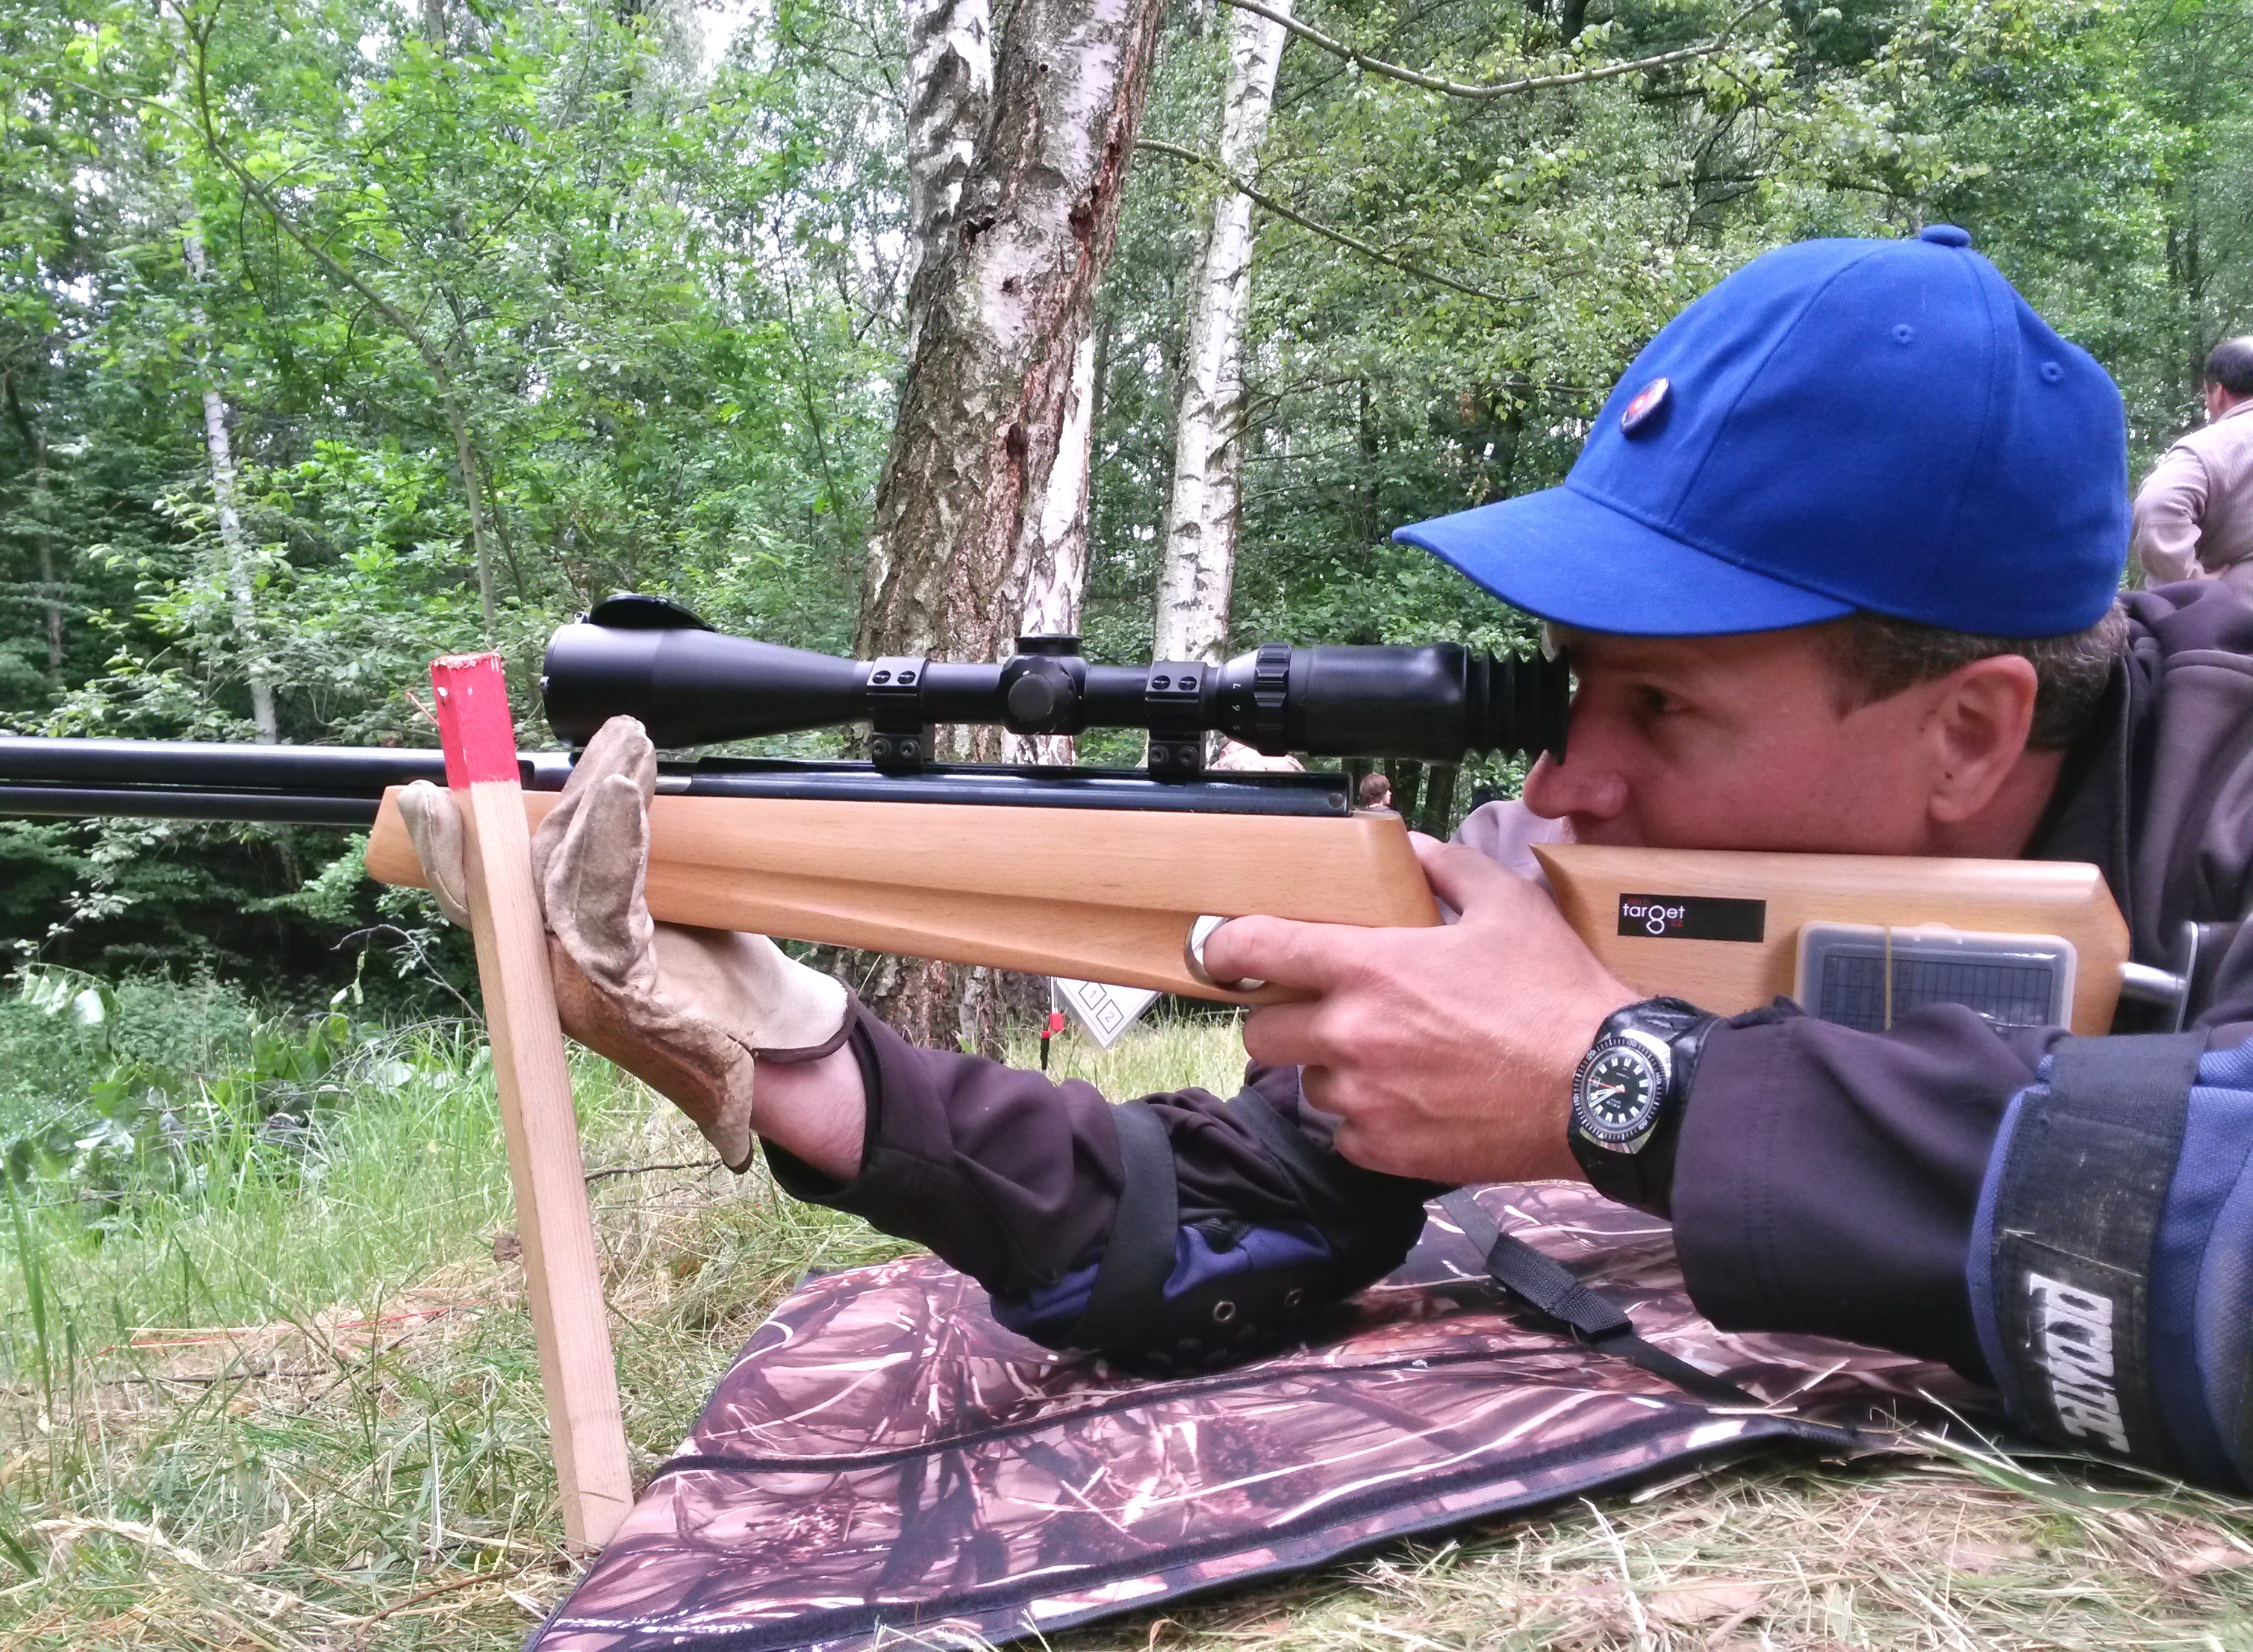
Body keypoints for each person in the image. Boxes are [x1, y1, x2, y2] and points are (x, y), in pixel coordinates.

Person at [406, 226, 2253, 1489]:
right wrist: (815, 1068)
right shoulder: (1571, 869)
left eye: (1664, 704)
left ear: (1968, 731)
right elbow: (1225, 1222)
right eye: (1569, 685)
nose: (1569, 776)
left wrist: (1621, 1082)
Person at [2131, 337, 2253, 604]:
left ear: (2218, 392)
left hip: (2232, 620)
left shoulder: (2209, 448)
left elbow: (2156, 506)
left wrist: (2192, 582)